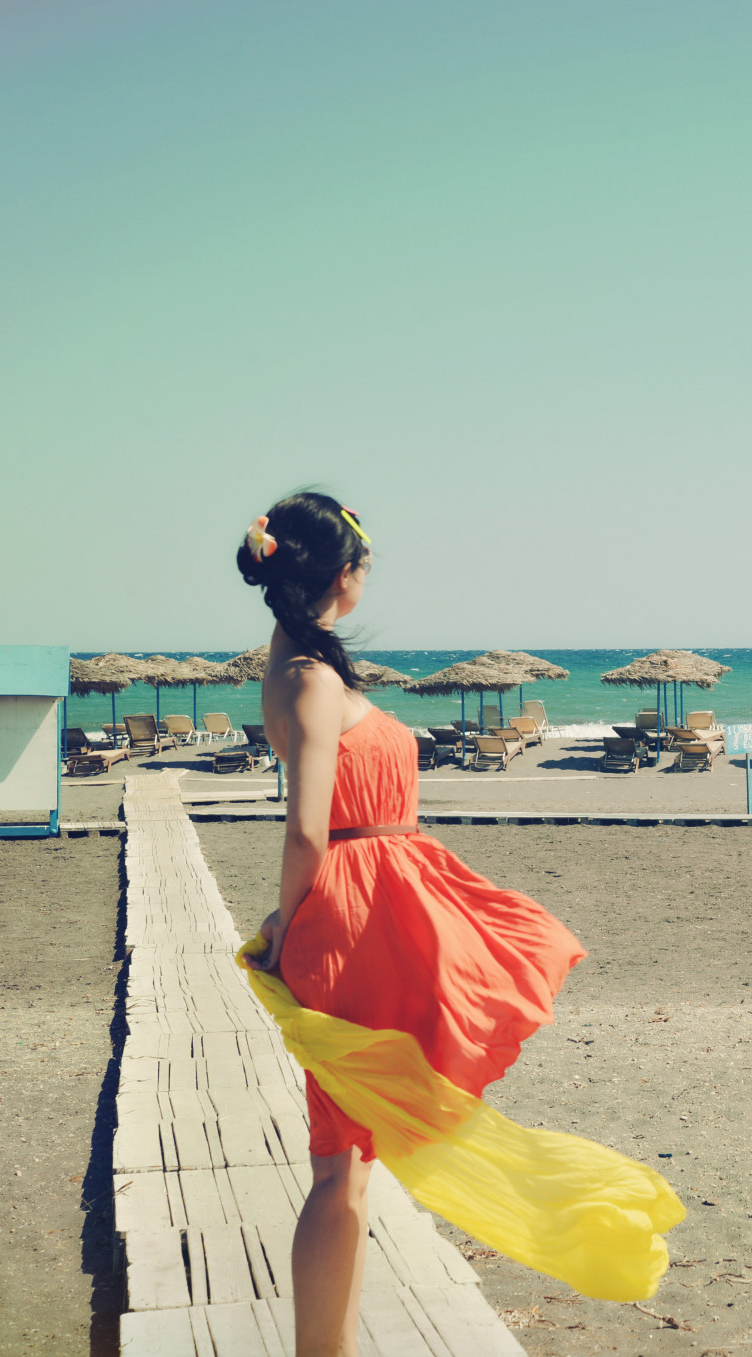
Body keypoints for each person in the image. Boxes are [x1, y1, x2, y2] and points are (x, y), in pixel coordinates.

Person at [235, 492, 587, 1355]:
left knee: (349, 1162)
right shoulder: (311, 679)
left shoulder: (300, 664)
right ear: (343, 576)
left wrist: (291, 915)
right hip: (356, 916)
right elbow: (307, 827)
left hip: (373, 906)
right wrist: (290, 922)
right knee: (338, 1166)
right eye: (361, 565)